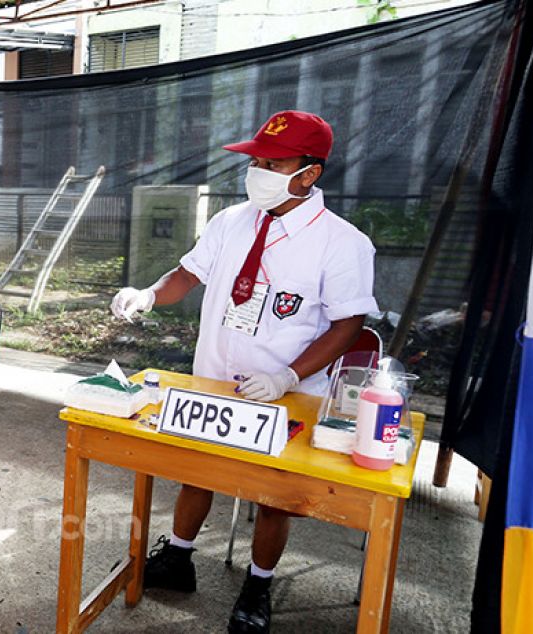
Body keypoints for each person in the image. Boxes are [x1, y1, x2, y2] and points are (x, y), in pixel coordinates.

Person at [110, 110, 377, 634]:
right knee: (196, 471)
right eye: (256, 160)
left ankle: (258, 585)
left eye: (272, 163)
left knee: (272, 494)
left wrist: (288, 377)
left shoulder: (342, 243)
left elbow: (348, 326)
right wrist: (148, 294)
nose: (257, 170)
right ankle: (180, 558)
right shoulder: (231, 221)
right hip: (212, 377)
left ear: (309, 173)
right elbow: (188, 274)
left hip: (283, 393)